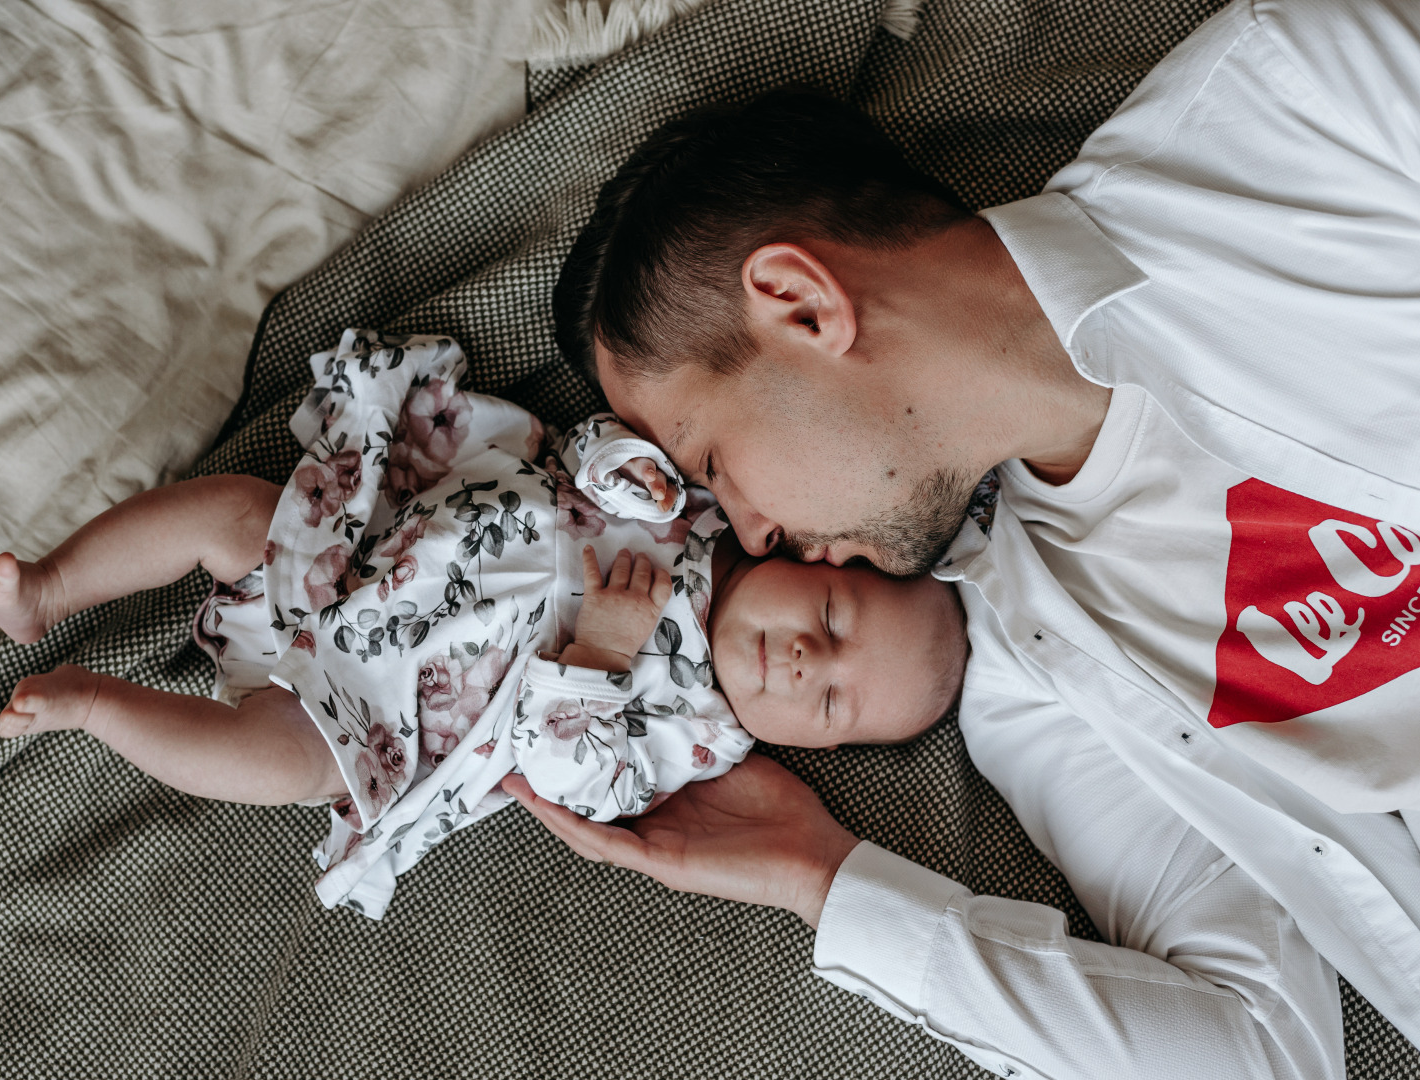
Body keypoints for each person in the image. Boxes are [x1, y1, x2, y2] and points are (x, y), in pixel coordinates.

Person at [511, 0, 1420, 1073]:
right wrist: (825, 879)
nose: (750, 533)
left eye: (712, 462)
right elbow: (1265, 1056)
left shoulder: (1303, 103)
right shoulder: (1033, 675)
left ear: (801, 305)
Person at [0, 328, 965, 918]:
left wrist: (604, 655)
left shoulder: (691, 737)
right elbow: (592, 447)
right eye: (830, 618)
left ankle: (97, 708)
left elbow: (575, 781)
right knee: (230, 514)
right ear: (811, 561)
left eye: (828, 700)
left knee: (283, 766)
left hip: (377, 709)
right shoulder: (695, 512)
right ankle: (46, 587)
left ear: (812, 744)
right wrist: (630, 472)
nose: (800, 660)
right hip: (367, 551)